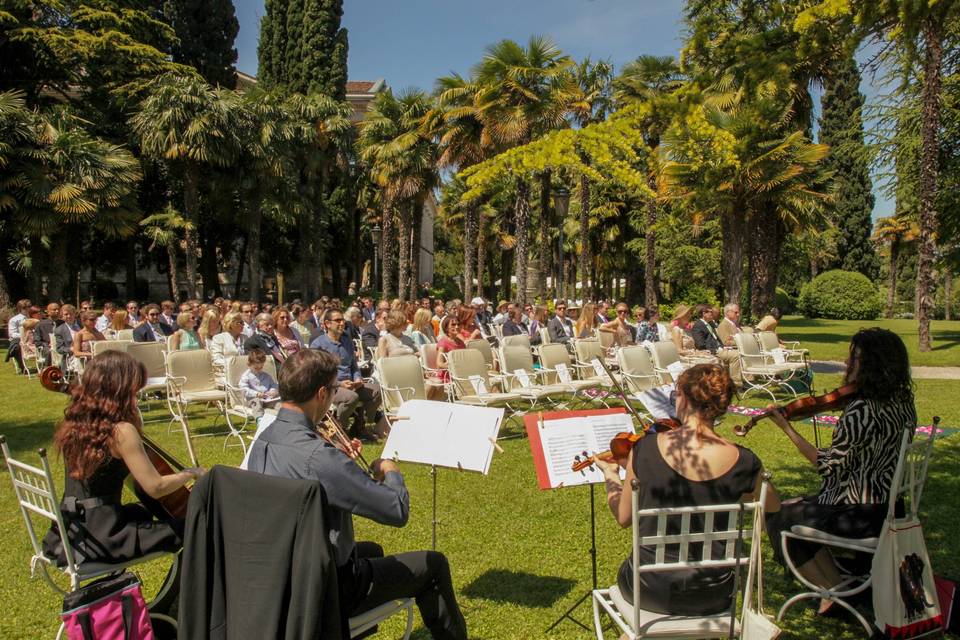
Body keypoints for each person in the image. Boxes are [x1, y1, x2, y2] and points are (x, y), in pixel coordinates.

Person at [245, 349, 468, 640]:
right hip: (326, 587)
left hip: (282, 573)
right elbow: (395, 510)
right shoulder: (318, 455)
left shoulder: (266, 438)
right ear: (322, 394)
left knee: (372, 550)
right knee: (434, 564)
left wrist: (340, 462)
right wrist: (392, 472)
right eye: (335, 389)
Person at [593, 364, 775, 616]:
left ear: (685, 399)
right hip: (716, 591)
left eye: (676, 394)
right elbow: (770, 514)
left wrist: (611, 476)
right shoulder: (746, 462)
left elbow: (623, 517)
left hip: (651, 588)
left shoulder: (645, 449)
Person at [765, 328, 916, 612]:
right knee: (795, 504)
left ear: (871, 365)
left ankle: (837, 594)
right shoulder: (903, 402)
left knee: (777, 514)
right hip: (891, 507)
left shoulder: (861, 410)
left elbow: (827, 466)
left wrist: (787, 428)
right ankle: (839, 585)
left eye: (854, 358)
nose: (847, 364)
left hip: (859, 514)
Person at [43, 351, 203, 568]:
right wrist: (190, 473)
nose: (136, 396)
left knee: (142, 511)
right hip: (104, 538)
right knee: (197, 525)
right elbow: (155, 487)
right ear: (120, 389)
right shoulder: (121, 431)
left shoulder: (76, 424)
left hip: (72, 531)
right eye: (134, 390)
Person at [310, 309, 387, 438]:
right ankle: (338, 429)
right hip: (329, 387)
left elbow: (354, 366)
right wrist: (339, 384)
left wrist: (358, 379)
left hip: (351, 384)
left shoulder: (347, 341)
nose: (342, 323)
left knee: (377, 391)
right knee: (351, 397)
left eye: (343, 320)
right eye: (338, 320)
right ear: (327, 324)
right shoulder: (319, 345)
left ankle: (359, 426)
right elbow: (316, 374)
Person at [691, 305, 742, 385]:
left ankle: (735, 381)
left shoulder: (710, 324)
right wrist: (715, 349)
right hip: (712, 351)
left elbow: (717, 338)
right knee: (736, 355)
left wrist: (722, 347)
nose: (713, 313)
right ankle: (736, 383)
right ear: (704, 313)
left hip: (720, 349)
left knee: (738, 353)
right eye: (710, 312)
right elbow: (700, 344)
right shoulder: (698, 326)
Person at [435, 316, 465, 383]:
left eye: (458, 324)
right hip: (447, 377)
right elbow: (439, 364)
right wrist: (454, 367)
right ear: (446, 328)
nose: (457, 327)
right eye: (453, 325)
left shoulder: (461, 342)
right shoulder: (443, 342)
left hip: (461, 375)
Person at [5, 298, 32, 371]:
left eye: (29, 306)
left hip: (31, 339)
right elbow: (12, 334)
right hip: (18, 340)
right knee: (17, 347)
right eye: (25, 307)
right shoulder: (14, 320)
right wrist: (23, 336)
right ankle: (22, 366)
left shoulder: (32, 318)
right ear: (20, 308)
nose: (28, 309)